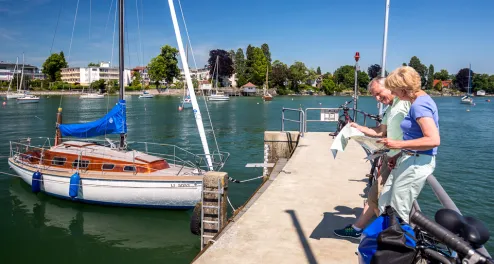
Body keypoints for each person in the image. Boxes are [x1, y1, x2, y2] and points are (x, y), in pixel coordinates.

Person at [333, 77, 410, 239]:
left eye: (379, 93)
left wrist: (399, 151)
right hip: (391, 157)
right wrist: (358, 129)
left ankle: (382, 238)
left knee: (381, 199)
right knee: (375, 196)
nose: (377, 99)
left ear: (389, 87)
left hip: (400, 159)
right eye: (374, 95)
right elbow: (381, 132)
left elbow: (414, 133)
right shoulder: (390, 109)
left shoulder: (405, 104)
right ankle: (362, 230)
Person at [378, 66, 440, 223]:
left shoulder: (419, 105)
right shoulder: (419, 101)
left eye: (394, 90)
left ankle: (398, 243)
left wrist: (397, 144)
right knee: (385, 202)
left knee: (398, 210)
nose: (393, 94)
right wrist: (400, 153)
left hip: (416, 163)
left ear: (403, 89)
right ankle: (386, 238)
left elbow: (433, 140)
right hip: (408, 158)